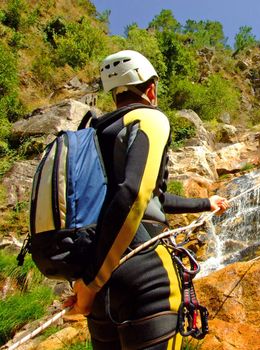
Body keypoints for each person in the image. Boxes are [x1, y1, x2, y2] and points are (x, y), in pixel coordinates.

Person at [66, 50, 229, 350]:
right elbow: (133, 194)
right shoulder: (150, 118)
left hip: (102, 290)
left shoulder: (96, 133)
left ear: (115, 94)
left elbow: (151, 198)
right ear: (151, 89)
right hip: (145, 274)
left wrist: (207, 204)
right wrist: (91, 283)